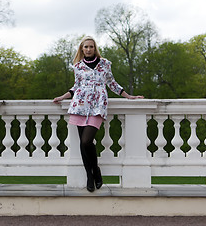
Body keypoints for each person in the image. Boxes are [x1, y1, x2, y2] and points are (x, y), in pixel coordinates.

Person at [53, 36, 144, 192]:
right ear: (82, 49)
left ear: (95, 48)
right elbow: (76, 86)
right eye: (86, 47)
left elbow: (112, 84)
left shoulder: (105, 65)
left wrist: (129, 96)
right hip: (79, 106)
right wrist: (62, 97)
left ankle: (96, 170)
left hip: (97, 106)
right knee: (83, 143)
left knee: (87, 140)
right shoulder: (78, 66)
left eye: (91, 47)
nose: (88, 49)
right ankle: (90, 175)